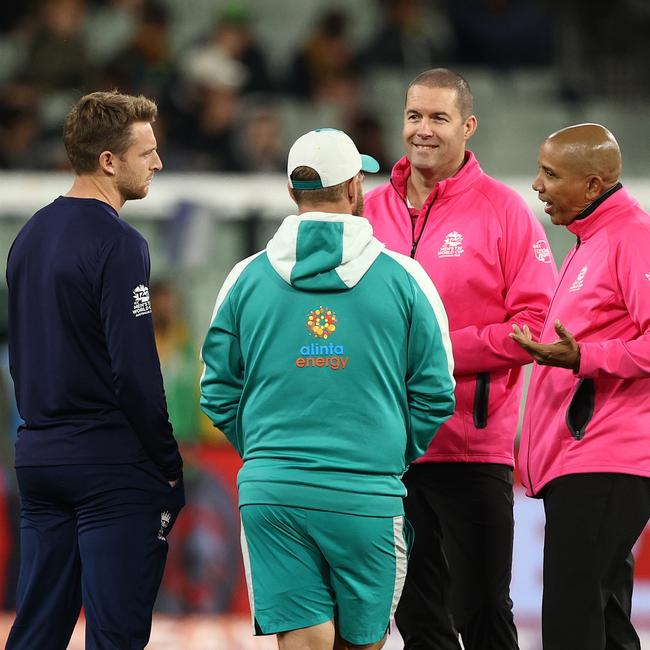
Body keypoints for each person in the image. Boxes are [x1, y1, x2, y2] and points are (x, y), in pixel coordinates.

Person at [199, 128, 456, 650]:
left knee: (304, 641)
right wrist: (386, 451)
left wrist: (270, 451)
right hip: (367, 494)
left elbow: (216, 390)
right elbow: (436, 391)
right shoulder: (406, 278)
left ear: (293, 193)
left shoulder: (244, 277)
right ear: (356, 187)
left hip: (274, 491)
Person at [363, 68, 558, 650]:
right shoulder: (371, 211)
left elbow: (536, 325)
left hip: (471, 447)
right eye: (414, 116)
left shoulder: (505, 212)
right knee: (416, 615)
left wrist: (435, 354)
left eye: (438, 118)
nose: (423, 130)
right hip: (389, 448)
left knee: (482, 613)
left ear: (468, 127)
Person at [5, 90, 185, 649]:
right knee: (116, 634)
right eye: (147, 152)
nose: (157, 162)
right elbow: (134, 368)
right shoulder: (120, 243)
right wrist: (166, 459)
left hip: (39, 458)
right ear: (109, 160)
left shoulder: (27, 237)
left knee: (36, 629)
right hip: (110, 463)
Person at [511, 123, 650, 650]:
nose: (537, 185)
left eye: (550, 174)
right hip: (584, 457)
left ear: (592, 186)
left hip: (605, 456)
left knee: (572, 618)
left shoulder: (632, 238)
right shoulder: (591, 241)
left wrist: (587, 356)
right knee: (603, 616)